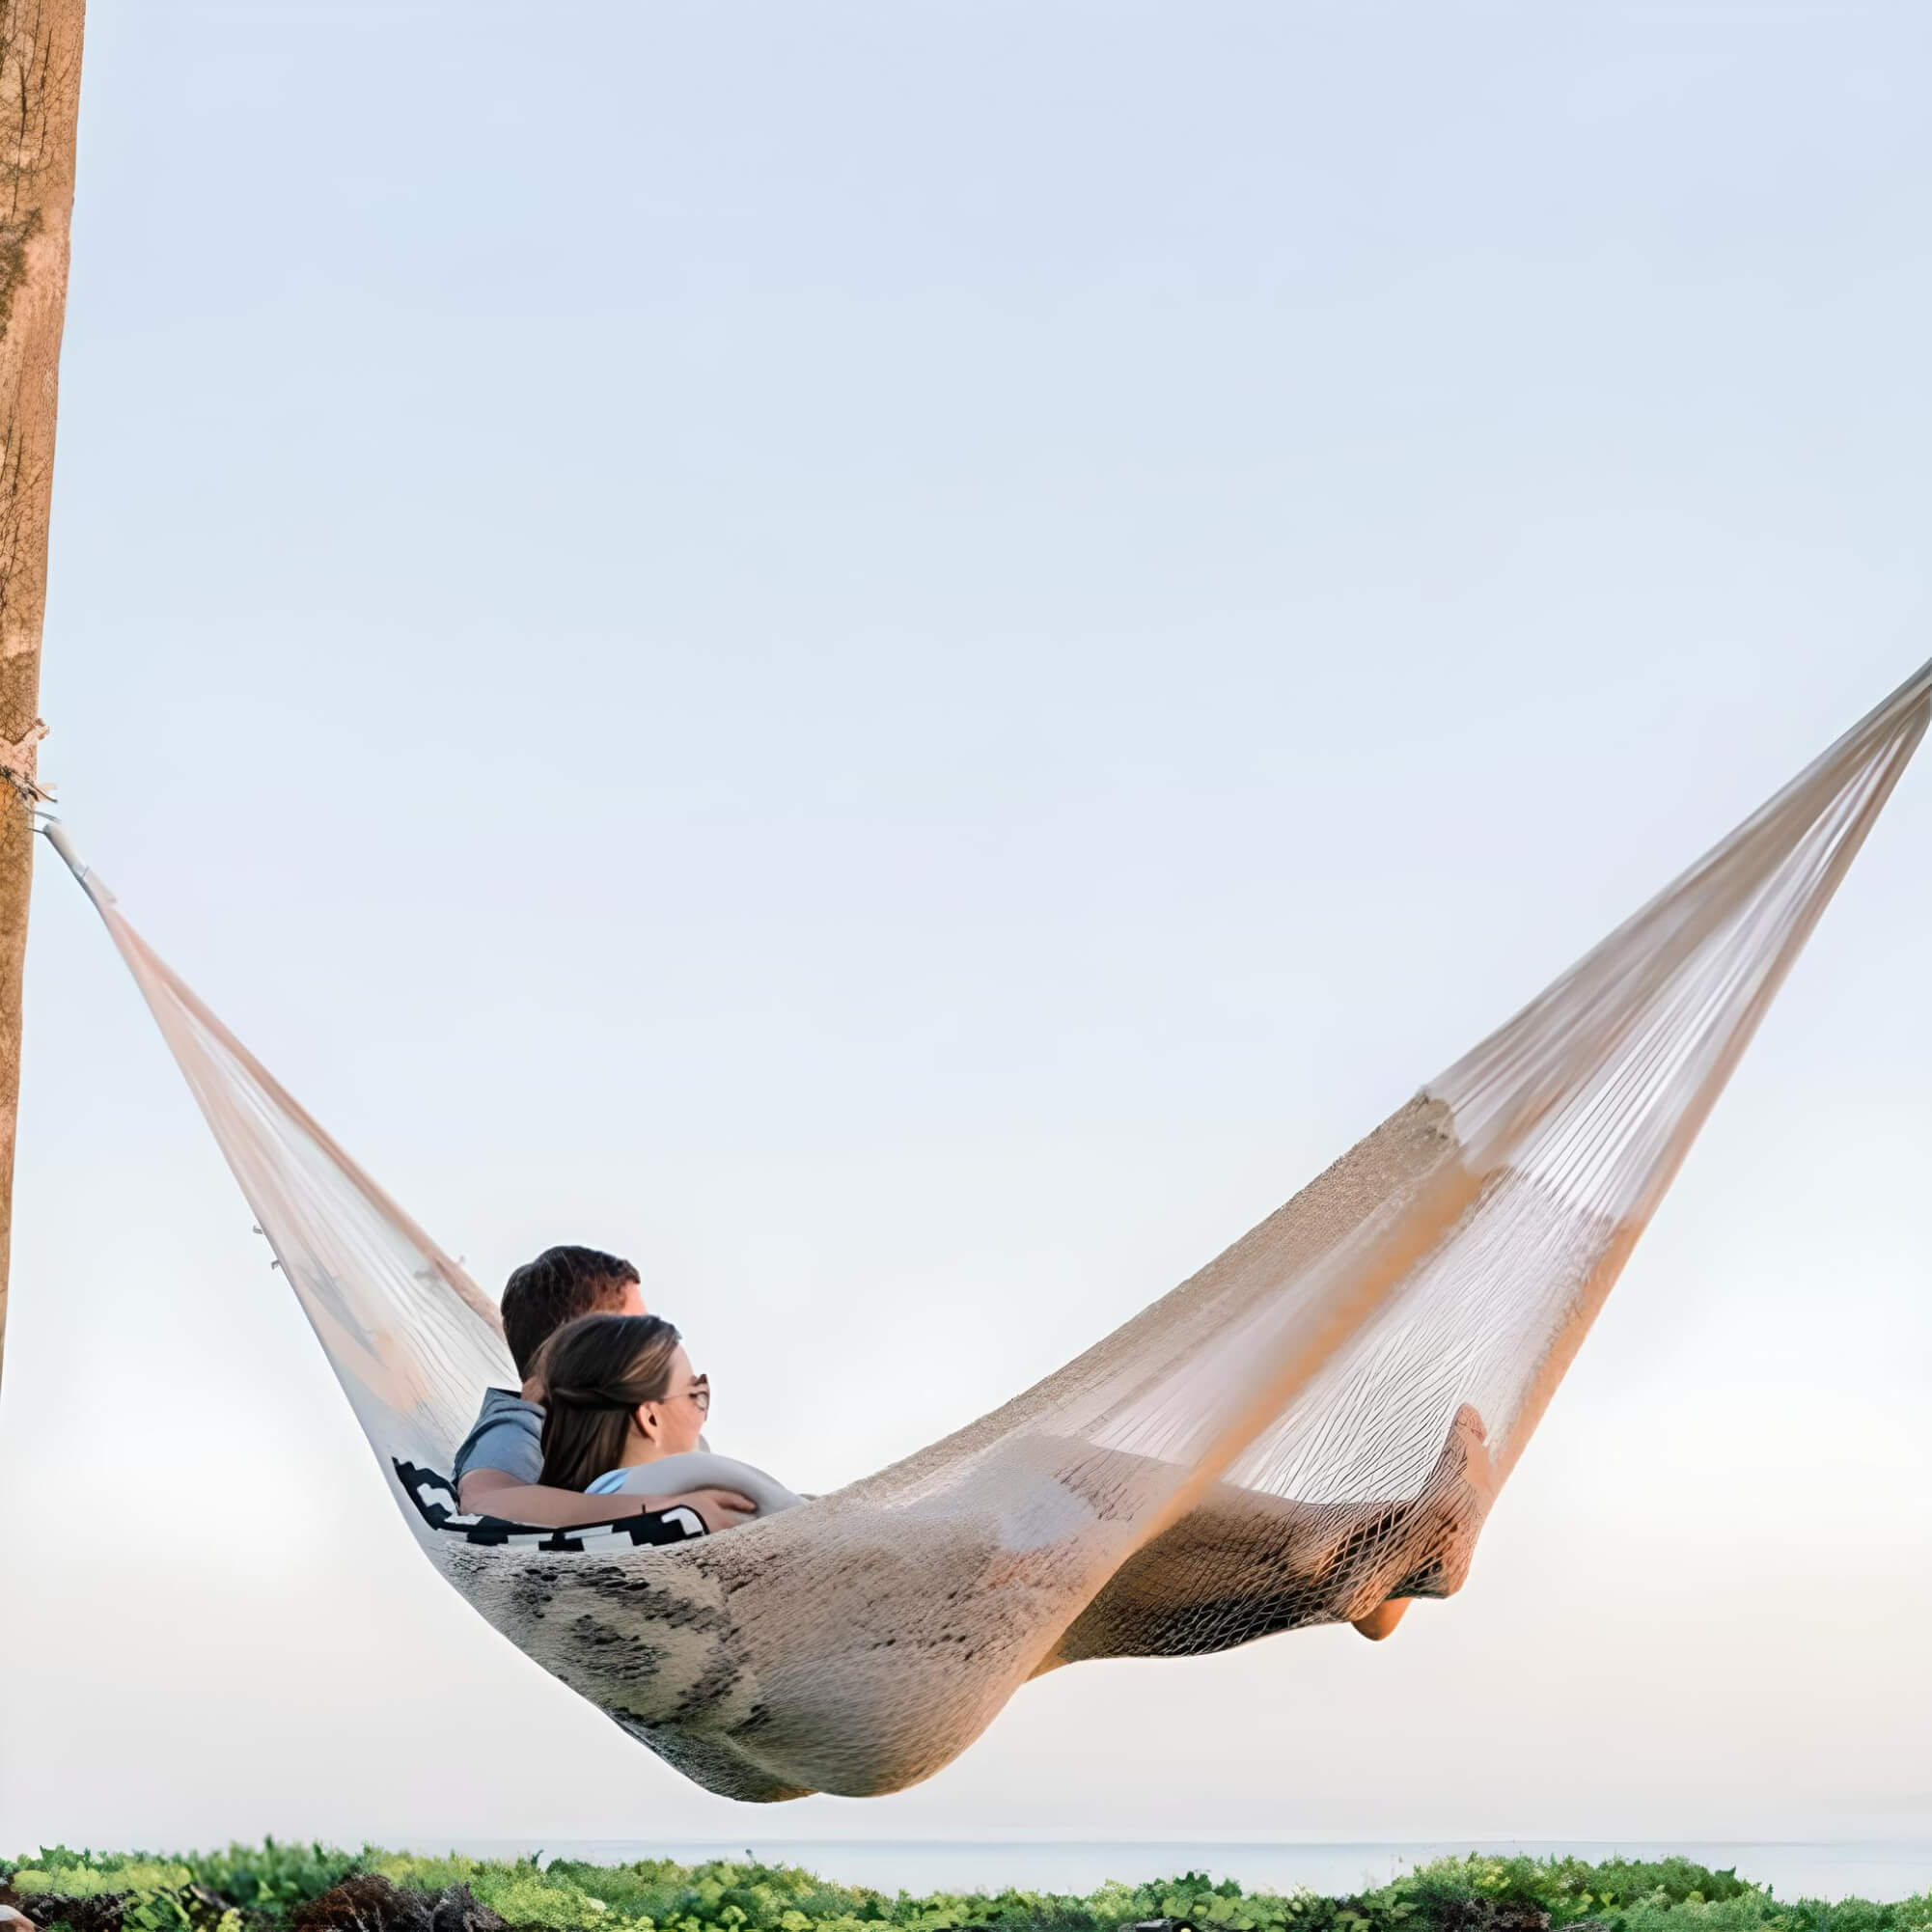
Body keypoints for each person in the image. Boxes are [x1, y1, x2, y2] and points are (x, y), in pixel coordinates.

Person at [452, 1245, 754, 1532]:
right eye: (634, 1328)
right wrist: (666, 1511)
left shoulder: (638, 1423)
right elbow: (482, 1501)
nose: (654, 1339)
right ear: (587, 1343)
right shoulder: (521, 1426)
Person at [536, 1311, 801, 1517]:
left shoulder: (557, 1512)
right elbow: (809, 1522)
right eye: (696, 1395)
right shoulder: (690, 1477)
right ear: (650, 1419)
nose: (703, 1417)